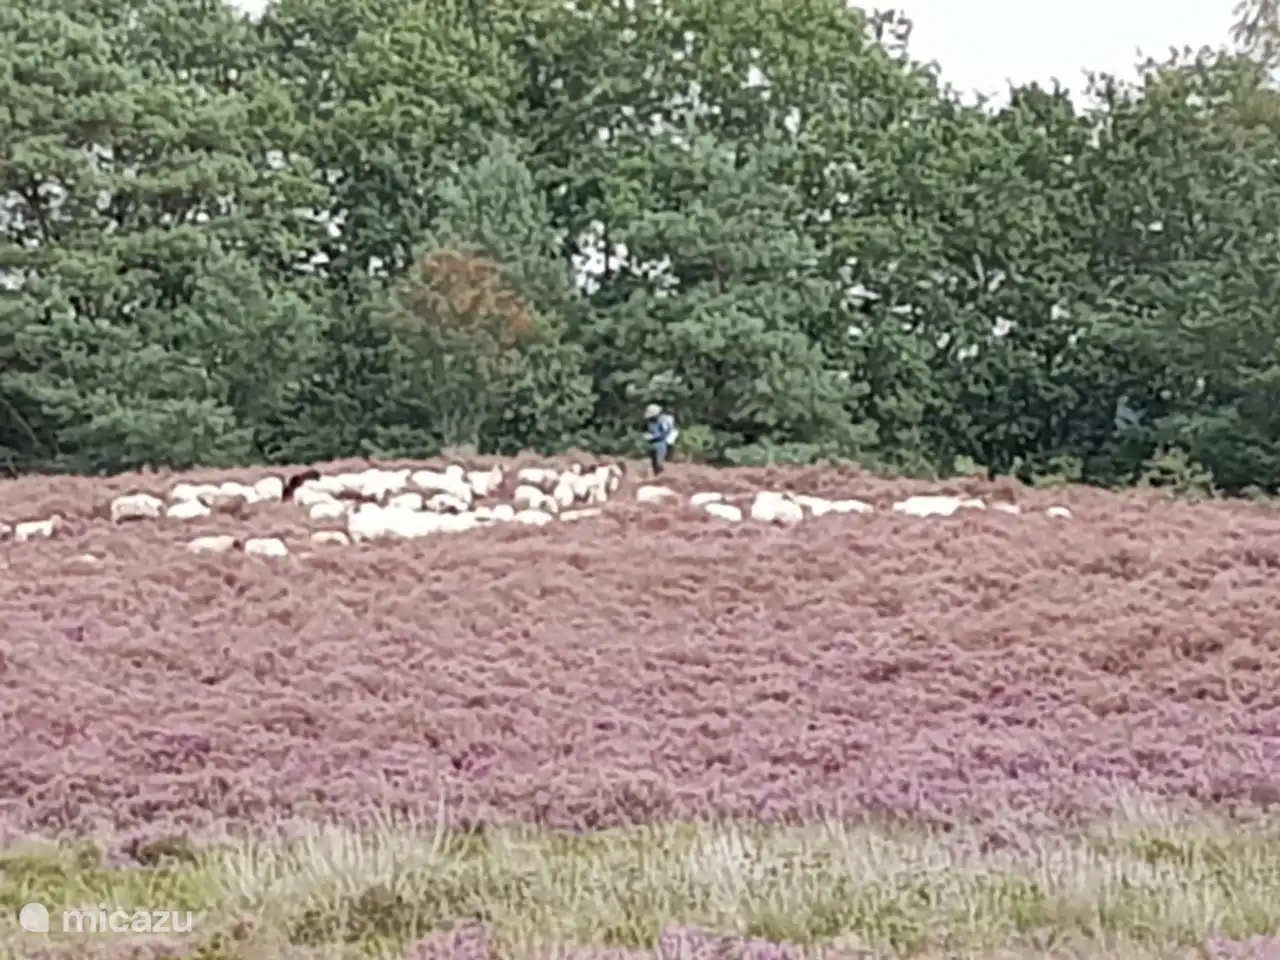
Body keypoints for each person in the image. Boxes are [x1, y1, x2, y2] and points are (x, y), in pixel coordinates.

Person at [644, 403, 677, 475]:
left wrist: (652, 436)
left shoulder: (663, 421)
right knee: (654, 464)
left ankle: (663, 477)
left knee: (659, 464)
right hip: (652, 444)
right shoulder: (651, 422)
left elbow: (663, 433)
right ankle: (657, 476)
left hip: (660, 444)